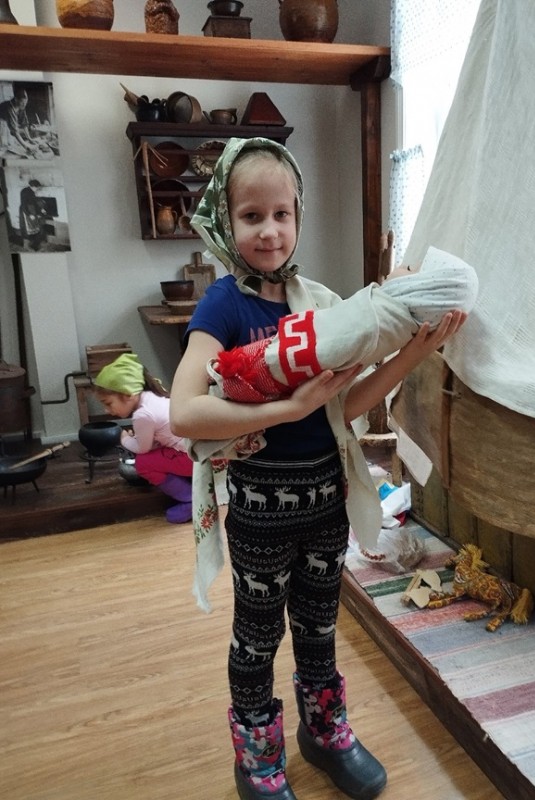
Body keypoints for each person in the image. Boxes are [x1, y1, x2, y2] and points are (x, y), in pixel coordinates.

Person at [169, 138, 472, 800]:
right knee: (257, 636)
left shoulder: (321, 305)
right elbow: (186, 412)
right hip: (260, 511)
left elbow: (347, 406)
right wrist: (288, 407)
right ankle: (257, 756)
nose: (270, 231)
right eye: (252, 216)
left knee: (318, 627)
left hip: (325, 500)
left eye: (282, 214)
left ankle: (324, 731)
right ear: (225, 220)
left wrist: (415, 351)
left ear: (298, 215)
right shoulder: (223, 306)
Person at [94, 353, 193, 524]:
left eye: (108, 403)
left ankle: (190, 498)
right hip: (197, 452)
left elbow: (142, 449)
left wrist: (124, 439)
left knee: (143, 463)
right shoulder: (154, 397)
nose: (106, 410)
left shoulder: (142, 414)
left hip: (192, 458)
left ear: (129, 395)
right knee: (154, 456)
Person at [0, 87, 38, 153]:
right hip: (1, 122)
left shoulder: (21, 106)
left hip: (6, 123)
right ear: (16, 99)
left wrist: (30, 139)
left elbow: (24, 124)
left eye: (26, 102)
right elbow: (14, 131)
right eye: (22, 102)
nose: (24, 105)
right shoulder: (10, 108)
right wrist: (26, 146)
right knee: (2, 146)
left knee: (11, 144)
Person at [18, 179, 46, 251]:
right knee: (26, 228)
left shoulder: (32, 192)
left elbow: (34, 203)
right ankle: (26, 245)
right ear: (33, 186)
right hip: (25, 212)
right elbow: (23, 204)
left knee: (34, 227)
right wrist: (29, 214)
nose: (37, 189)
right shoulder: (24, 191)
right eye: (37, 188)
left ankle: (33, 244)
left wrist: (41, 210)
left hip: (32, 210)